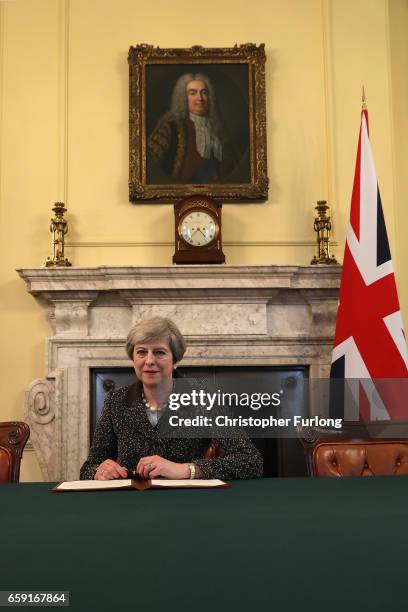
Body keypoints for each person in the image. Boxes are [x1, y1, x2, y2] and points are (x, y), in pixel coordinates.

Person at [80, 317, 263, 480]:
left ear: (175, 360)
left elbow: (250, 461)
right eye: (141, 352)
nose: (149, 360)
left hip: (185, 502)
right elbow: (88, 468)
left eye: (159, 352)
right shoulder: (116, 401)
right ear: (133, 358)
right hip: (131, 503)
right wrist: (99, 471)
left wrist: (186, 470)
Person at [147, 73, 232, 184]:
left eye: (204, 92)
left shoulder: (218, 130)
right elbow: (150, 167)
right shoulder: (169, 128)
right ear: (183, 97)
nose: (200, 98)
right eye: (193, 93)